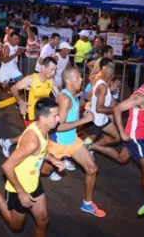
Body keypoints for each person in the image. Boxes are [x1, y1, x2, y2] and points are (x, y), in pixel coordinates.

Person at [0, 98, 65, 237]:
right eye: (55, 116)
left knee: (42, 222)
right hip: (19, 186)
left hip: (34, 182)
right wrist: (21, 192)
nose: (59, 119)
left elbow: (40, 152)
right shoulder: (32, 140)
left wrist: (52, 159)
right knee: (16, 227)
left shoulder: (43, 128)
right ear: (43, 118)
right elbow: (7, 166)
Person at [88, 66, 144, 213]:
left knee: (122, 159)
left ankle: (92, 146)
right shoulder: (140, 96)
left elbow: (143, 111)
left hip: (142, 136)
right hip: (136, 138)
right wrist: (122, 133)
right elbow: (118, 109)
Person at [43, 68, 106, 216]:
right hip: (58, 144)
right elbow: (58, 126)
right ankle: (21, 181)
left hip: (72, 141)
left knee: (92, 169)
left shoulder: (73, 95)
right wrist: (84, 120)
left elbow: (73, 111)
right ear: (68, 80)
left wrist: (86, 103)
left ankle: (87, 202)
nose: (81, 80)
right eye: (77, 78)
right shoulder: (64, 98)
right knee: (44, 171)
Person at [0, 57, 58, 158]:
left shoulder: (50, 81)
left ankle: (8, 142)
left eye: (55, 70)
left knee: (33, 135)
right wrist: (21, 102)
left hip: (43, 115)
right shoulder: (30, 79)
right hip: (30, 113)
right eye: (52, 69)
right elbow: (14, 88)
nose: (54, 73)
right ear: (43, 67)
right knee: (35, 137)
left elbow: (58, 95)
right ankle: (20, 157)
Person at [88, 59, 122, 151]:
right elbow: (99, 108)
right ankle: (87, 148)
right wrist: (115, 110)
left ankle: (91, 147)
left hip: (103, 119)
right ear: (112, 76)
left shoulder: (103, 84)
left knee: (117, 138)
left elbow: (110, 102)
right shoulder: (102, 86)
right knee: (86, 142)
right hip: (96, 121)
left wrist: (115, 107)